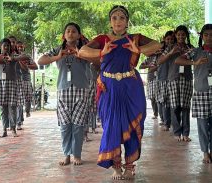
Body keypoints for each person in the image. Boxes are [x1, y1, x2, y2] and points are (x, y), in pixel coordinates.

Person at [78, 5, 161, 180]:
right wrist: (102, 51)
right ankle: (116, 166)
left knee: (132, 126)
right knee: (111, 125)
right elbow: (82, 51)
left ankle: (130, 166)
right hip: (108, 89)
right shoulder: (102, 39)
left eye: (122, 17)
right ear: (110, 21)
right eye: (114, 17)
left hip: (131, 87)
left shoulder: (135, 38)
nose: (118, 21)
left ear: (127, 21)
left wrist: (138, 50)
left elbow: (156, 45)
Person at [38, 22, 90, 166]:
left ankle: (77, 155)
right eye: (68, 31)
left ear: (79, 35)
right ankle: (67, 154)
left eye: (74, 31)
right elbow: (40, 61)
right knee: (65, 125)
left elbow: (97, 60)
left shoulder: (85, 49)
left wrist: (82, 55)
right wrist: (57, 57)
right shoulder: (57, 50)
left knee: (78, 124)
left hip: (81, 89)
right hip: (63, 90)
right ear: (64, 35)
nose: (71, 33)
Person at [175, 24, 212, 163]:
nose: (209, 38)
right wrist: (194, 62)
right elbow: (178, 60)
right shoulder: (195, 51)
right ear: (202, 37)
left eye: (211, 35)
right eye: (206, 35)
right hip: (201, 92)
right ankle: (205, 152)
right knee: (202, 125)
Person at [158, 25, 193, 142]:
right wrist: (170, 53)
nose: (181, 36)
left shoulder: (190, 47)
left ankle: (186, 133)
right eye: (178, 35)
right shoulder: (170, 47)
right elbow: (159, 61)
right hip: (173, 79)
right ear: (175, 35)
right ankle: (177, 132)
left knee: (185, 106)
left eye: (183, 34)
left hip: (186, 79)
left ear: (186, 36)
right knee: (175, 106)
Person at [16, 40, 38, 130]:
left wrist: (26, 65)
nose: (20, 48)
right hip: (17, 80)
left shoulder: (27, 56)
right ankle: (19, 122)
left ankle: (28, 111)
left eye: (21, 46)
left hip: (26, 79)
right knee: (19, 102)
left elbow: (35, 66)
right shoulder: (13, 56)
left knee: (27, 98)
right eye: (18, 46)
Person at [156, 31, 175, 131]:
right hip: (162, 78)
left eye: (172, 39)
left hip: (172, 78)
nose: (170, 41)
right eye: (168, 39)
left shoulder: (176, 48)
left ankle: (170, 122)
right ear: (164, 39)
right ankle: (165, 122)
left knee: (172, 102)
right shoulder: (161, 50)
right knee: (163, 102)